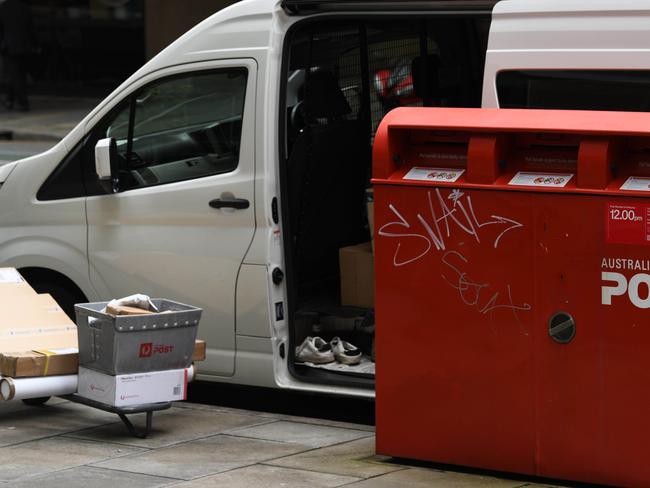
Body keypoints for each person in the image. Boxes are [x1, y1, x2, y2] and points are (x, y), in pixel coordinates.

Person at [0, 0, 32, 111]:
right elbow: (30, 27)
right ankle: (10, 100)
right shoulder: (24, 6)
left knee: (14, 75)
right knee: (19, 74)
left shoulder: (3, 7)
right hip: (23, 46)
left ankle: (22, 102)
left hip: (9, 47)